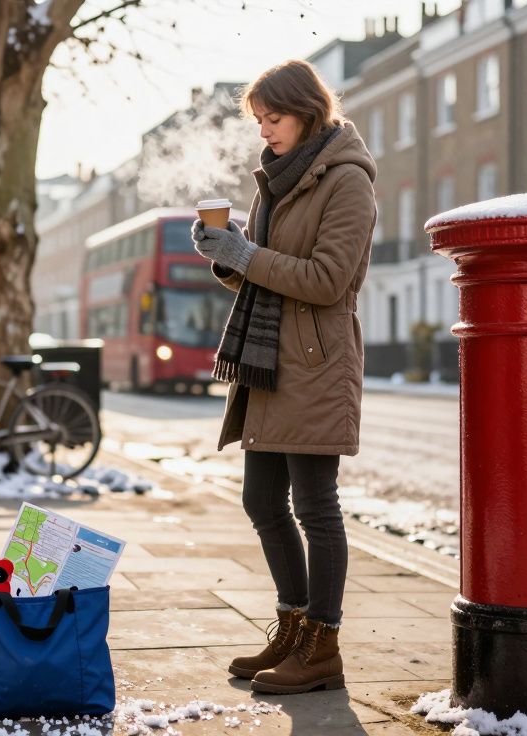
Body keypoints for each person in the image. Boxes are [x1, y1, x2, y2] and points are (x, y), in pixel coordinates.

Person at [190, 59, 377, 694]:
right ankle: (293, 629)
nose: (264, 131)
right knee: (261, 501)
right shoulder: (280, 178)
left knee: (314, 506)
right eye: (259, 121)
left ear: (307, 111)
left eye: (273, 119)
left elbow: (326, 280)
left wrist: (247, 253)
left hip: (315, 363)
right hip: (271, 361)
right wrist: (228, 257)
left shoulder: (347, 181)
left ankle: (323, 644)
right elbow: (269, 271)